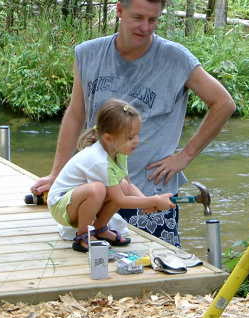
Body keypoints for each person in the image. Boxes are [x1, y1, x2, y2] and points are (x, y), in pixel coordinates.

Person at [31, 0, 236, 247]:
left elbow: (224, 103)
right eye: (138, 18)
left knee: (159, 271)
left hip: (151, 193)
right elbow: (76, 113)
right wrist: (57, 173)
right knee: (94, 271)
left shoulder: (176, 58)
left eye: (153, 20)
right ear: (119, 11)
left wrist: (184, 156)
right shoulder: (87, 54)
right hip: (96, 194)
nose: (145, 27)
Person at [47, 98, 175, 253]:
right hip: (60, 205)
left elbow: (127, 186)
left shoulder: (118, 152)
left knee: (121, 186)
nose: (137, 141)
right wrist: (153, 200)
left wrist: (147, 203)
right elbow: (120, 200)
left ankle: (100, 228)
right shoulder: (99, 161)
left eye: (137, 135)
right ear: (108, 138)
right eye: (130, 137)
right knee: (97, 189)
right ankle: (83, 236)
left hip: (76, 201)